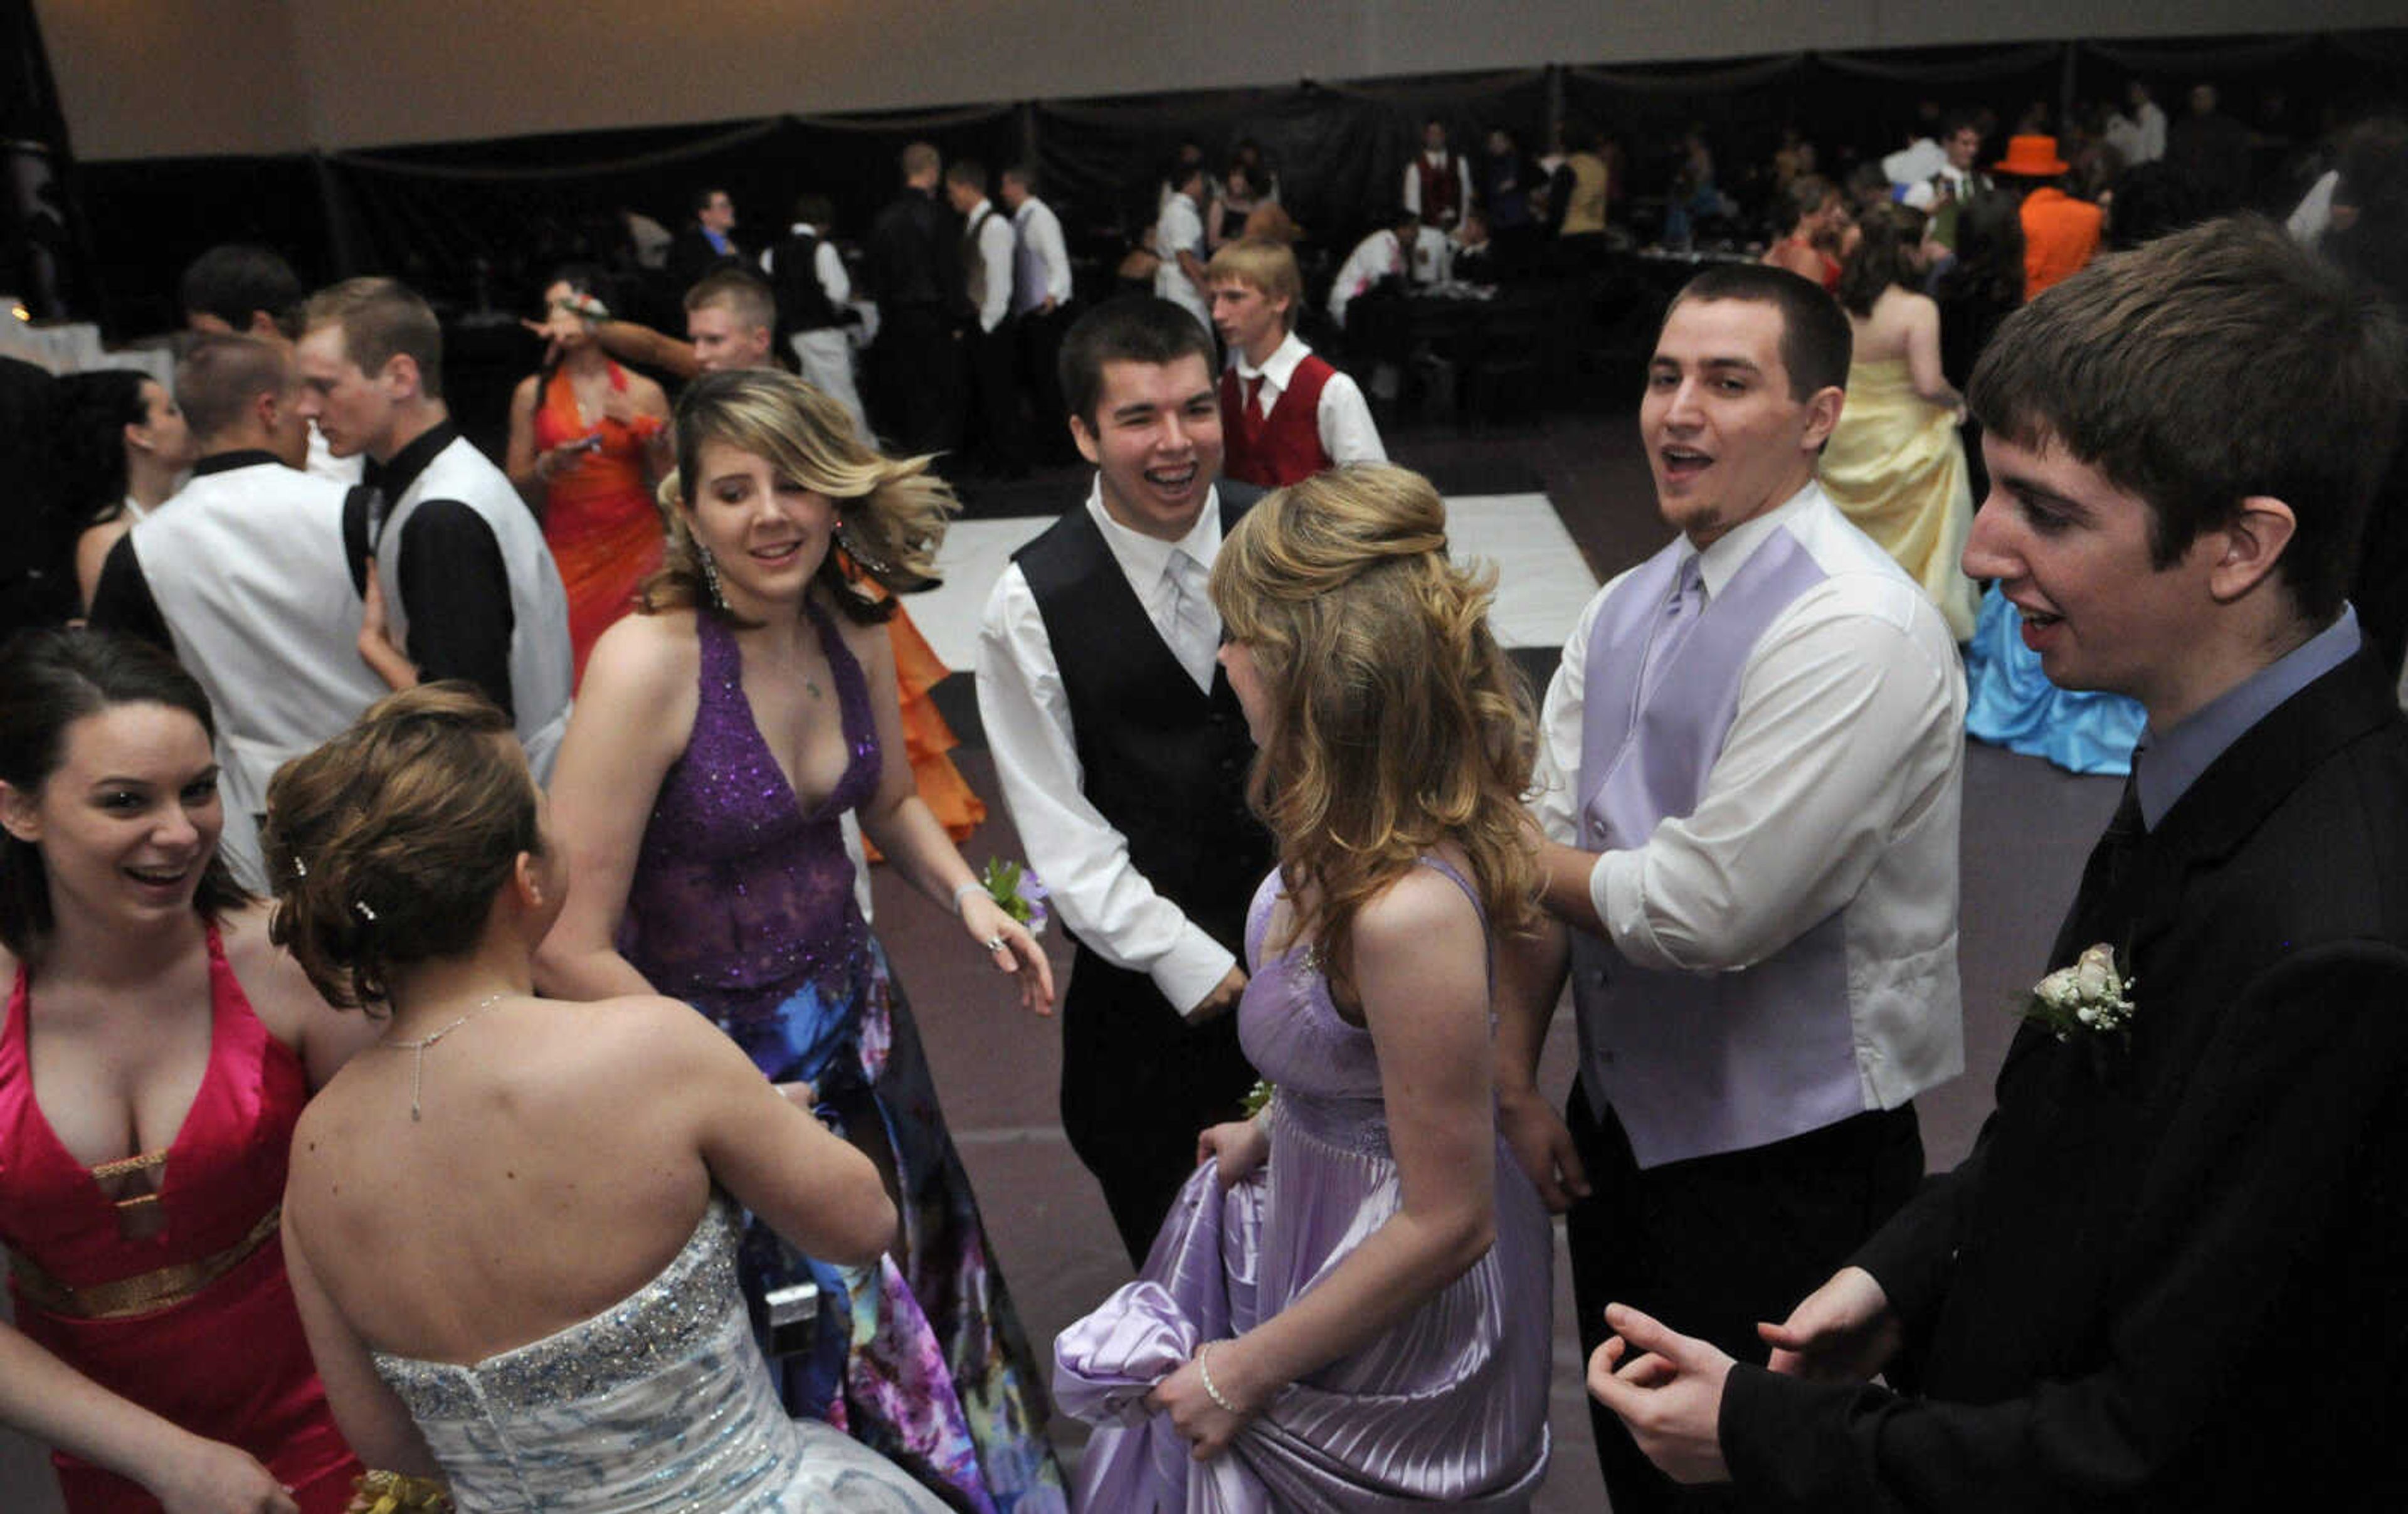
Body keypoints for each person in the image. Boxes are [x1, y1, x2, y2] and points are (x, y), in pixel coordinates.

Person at [1593, 213, 2408, 1513]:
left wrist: (1770, 1434)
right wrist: (1908, 1270)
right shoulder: (2204, 762)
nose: (1979, 550)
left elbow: (2157, 1442)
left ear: (2243, 546)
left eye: (2046, 511)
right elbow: (2063, 1097)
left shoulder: (2333, 946)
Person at [533, 369, 1065, 1512]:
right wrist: (719, 1096)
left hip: (870, 1032)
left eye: (795, 483)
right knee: (803, 1328)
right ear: (688, 509)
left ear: (836, 494)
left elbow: (886, 802)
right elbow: (568, 943)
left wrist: (972, 901)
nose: (770, 512)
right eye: (735, 489)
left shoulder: (852, 619)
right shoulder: (644, 664)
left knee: (928, 1286)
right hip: (718, 1064)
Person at [1500, 263, 1966, 1513]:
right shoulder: (1623, 607)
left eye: (1726, 381)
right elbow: (1561, 842)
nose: (1678, 412)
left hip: (1793, 1160)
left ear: (1818, 416)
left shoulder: (1855, 625)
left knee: (1776, 1486)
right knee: (1642, 1470)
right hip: (1622, 1139)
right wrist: (1513, 1074)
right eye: (1663, 377)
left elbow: (1707, 910)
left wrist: (1473, 842)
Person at [257, 684, 946, 1514]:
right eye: (541, 800)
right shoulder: (648, 1049)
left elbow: (379, 1431)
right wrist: (755, 1132)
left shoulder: (317, 1145)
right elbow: (861, 1223)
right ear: (526, 880)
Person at [1055, 464, 1554, 1507]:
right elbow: (1369, 1064)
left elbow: (1452, 1217)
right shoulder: (1336, 831)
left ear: (1307, 665)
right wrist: (1284, 1125)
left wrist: (1241, 1364)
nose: (1224, 654)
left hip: (1405, 1291)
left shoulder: (1406, 910)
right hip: (1330, 1228)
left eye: (1240, 632)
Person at [0, 627, 372, 1513]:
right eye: (127, 800)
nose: (180, 832)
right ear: (19, 809)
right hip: (111, 1460)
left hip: (341, 1430)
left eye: (199, 790)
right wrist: (164, 1457)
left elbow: (413, 1208)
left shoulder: (291, 961)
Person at [974, 297, 1270, 1265]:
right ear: (1083, 432)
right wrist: (1203, 968)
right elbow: (1062, 834)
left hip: (1325, 992)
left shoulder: (1286, 541)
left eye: (1196, 409)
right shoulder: (1032, 600)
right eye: (1140, 418)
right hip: (1149, 1025)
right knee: (1195, 1309)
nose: (1176, 443)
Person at [85, 334, 391, 891]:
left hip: (261, 812)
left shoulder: (141, 550)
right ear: (268, 409)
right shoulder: (354, 511)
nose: (311, 420)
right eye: (302, 404)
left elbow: (119, 692)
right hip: (392, 786)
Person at [292, 278, 574, 781]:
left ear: (401, 377)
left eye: (325, 386)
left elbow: (477, 732)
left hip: (517, 802)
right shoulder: (447, 481)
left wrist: (377, 652)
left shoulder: (442, 514)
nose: (306, 409)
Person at [504, 266, 672, 682]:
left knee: (642, 665)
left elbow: (673, 483)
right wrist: (548, 465)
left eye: (568, 308)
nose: (558, 320)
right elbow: (515, 482)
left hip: (636, 545)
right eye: (551, 310)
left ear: (599, 313)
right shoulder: (532, 393)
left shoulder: (642, 391)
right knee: (574, 664)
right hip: (569, 544)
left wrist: (642, 425)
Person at [1820, 203, 1978, 640]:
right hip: (1905, 433)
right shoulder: (1918, 309)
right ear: (1905, 251)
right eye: (1924, 240)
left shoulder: (1841, 306)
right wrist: (1958, 401)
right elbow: (1928, 384)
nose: (1931, 248)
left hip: (1849, 433)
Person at [1206, 238, 1384, 489]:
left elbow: (1375, 497)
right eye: (1214, 299)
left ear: (1280, 300)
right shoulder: (1225, 390)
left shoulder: (1331, 391)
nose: (1218, 313)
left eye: (1234, 298)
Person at [179, 245, 359, 487]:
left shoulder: (329, 390)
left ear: (262, 327)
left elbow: (331, 497)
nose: (204, 353)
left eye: (211, 337)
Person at [55, 371, 193, 612]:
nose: (185, 422)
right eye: (170, 412)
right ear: (139, 435)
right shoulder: (106, 541)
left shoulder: (193, 504)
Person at [865, 143, 967, 457]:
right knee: (941, 398)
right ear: (933, 171)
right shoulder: (938, 216)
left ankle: (918, 468)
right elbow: (950, 272)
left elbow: (877, 278)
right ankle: (943, 472)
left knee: (912, 398)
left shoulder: (884, 219)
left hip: (898, 320)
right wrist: (957, 318)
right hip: (935, 318)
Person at [946, 158, 1029, 479]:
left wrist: (986, 324)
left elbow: (1000, 282)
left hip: (993, 323)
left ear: (968, 188)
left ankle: (1013, 463)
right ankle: (997, 459)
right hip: (982, 322)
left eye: (953, 191)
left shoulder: (994, 226)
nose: (951, 197)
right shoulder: (973, 223)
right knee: (989, 396)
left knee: (1001, 397)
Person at [762, 194, 870, 440]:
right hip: (823, 333)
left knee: (803, 407)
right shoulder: (822, 249)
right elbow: (838, 295)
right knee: (842, 400)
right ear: (823, 223)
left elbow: (766, 296)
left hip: (788, 340)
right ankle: (862, 455)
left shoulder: (771, 254)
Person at [1993, 134, 2103, 297]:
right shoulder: (2093, 216)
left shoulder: (2019, 220)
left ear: (2016, 184)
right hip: (2081, 314)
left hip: (2031, 317)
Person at [1154, 160, 1213, 336]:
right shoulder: (1181, 212)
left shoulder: (1173, 209)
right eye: (1201, 181)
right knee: (1192, 333)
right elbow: (1184, 258)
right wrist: (1204, 289)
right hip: (1182, 285)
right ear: (1192, 181)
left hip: (1173, 279)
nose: (1204, 187)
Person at [1761, 176, 1846, 292]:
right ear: (1805, 216)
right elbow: (1809, 305)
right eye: (1830, 209)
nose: (1840, 214)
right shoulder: (1808, 257)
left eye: (1839, 206)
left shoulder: (1780, 247)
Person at [667, 185, 745, 292]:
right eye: (723, 206)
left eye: (730, 205)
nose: (731, 210)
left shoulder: (738, 242)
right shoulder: (687, 248)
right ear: (705, 215)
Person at [1403, 118, 1474, 230]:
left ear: (1444, 136)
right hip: (1429, 232)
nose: (1435, 137)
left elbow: (1467, 198)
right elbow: (1413, 207)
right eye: (1431, 134)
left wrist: (1464, 227)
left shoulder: (1461, 163)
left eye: (1439, 133)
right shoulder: (1415, 168)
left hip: (1458, 230)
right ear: (1425, 137)